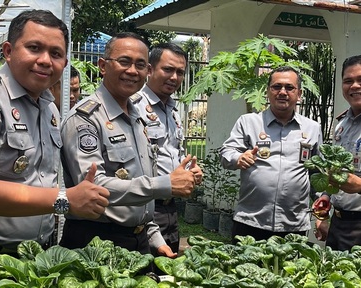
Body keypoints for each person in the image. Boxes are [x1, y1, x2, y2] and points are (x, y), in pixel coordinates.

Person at [60, 32, 197, 257]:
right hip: (96, 242)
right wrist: (166, 184)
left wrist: (154, 237)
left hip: (138, 240)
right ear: (103, 66)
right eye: (124, 62)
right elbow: (94, 188)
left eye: (140, 65)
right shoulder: (85, 118)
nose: (133, 71)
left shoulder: (137, 118)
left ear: (147, 71)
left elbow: (138, 189)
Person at [0, 9, 110, 255]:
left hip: (40, 251)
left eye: (56, 53)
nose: (46, 60)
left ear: (65, 63)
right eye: (34, 48)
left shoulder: (49, 106)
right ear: (8, 51)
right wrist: (64, 199)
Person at [219, 66, 323, 243]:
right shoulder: (248, 122)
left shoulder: (312, 128)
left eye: (289, 87)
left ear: (299, 94)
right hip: (250, 222)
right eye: (276, 87)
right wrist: (238, 158)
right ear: (268, 91)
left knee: (289, 271)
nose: (282, 92)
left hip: (294, 225)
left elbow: (317, 174)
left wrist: (321, 213)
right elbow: (226, 153)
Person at [131, 43, 203, 255]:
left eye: (180, 72)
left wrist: (190, 172)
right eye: (168, 69)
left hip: (171, 208)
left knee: (168, 269)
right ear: (150, 70)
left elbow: (173, 154)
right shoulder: (133, 106)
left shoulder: (172, 110)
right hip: (146, 204)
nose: (174, 77)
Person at [313, 55, 361, 251]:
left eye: (360, 80)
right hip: (339, 223)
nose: (355, 86)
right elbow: (334, 171)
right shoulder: (341, 124)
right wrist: (326, 197)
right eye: (348, 81)